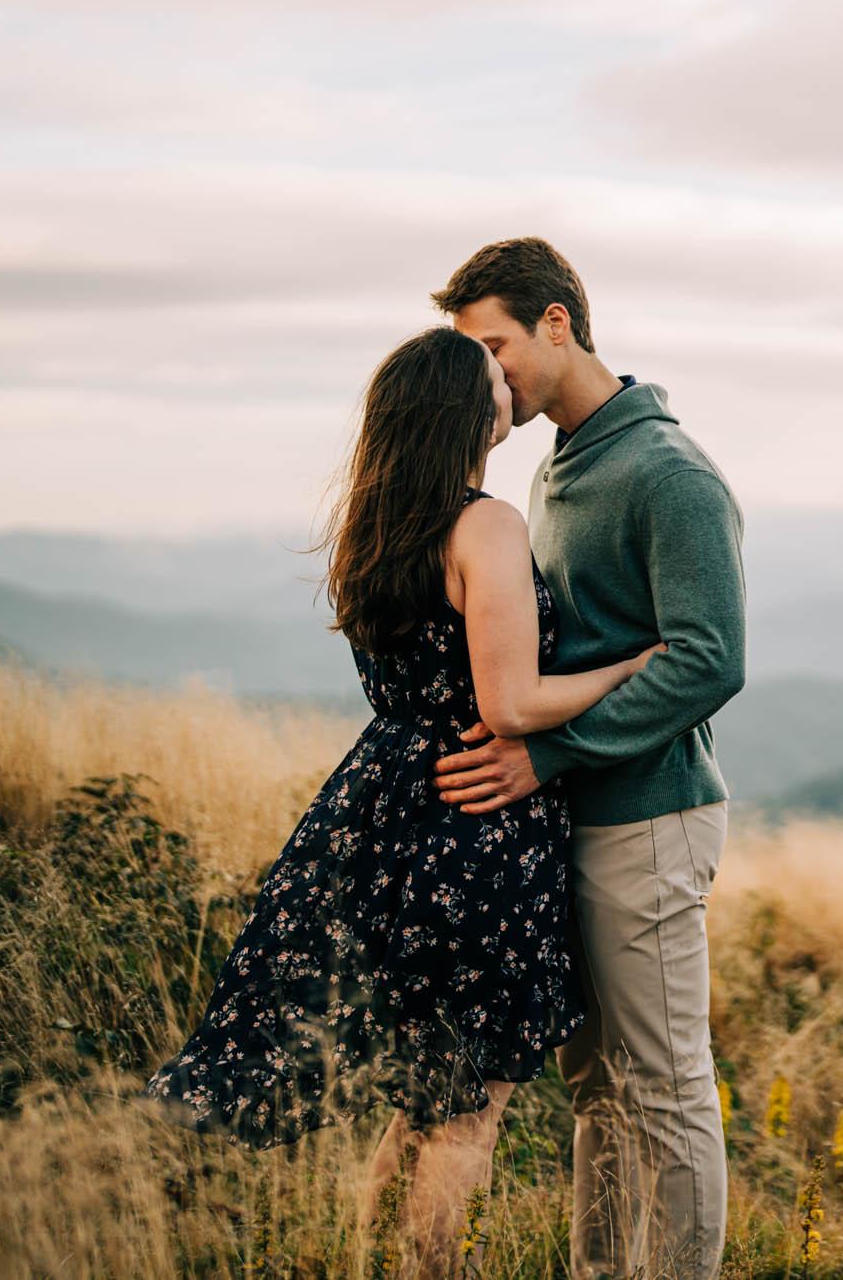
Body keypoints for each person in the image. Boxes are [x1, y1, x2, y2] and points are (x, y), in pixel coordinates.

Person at [133, 325, 664, 1277]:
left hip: (383, 817)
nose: (506, 383)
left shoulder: (378, 526)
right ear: (469, 412)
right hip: (475, 827)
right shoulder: (485, 524)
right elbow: (510, 704)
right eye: (490, 377)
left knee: (418, 1101)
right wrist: (629, 666)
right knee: (466, 1111)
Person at [427, 237, 747, 1279]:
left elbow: (709, 659)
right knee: (595, 1089)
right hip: (572, 815)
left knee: (662, 1086)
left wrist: (548, 752)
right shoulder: (559, 463)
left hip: (647, 815)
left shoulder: (667, 471)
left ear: (556, 323)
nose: (487, 374)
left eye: (495, 345)